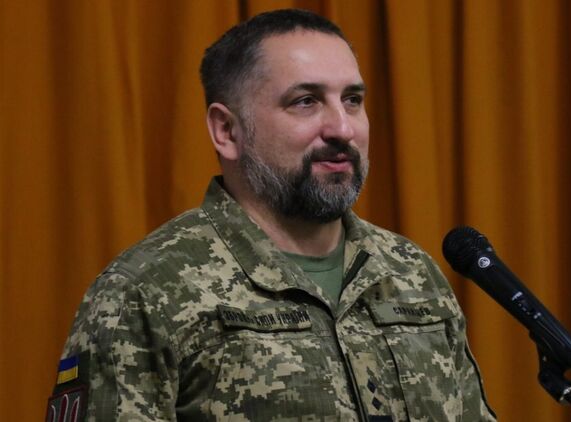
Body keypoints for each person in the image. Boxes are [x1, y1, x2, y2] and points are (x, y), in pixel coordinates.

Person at [47, 8, 496, 422]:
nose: (342, 128)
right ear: (227, 130)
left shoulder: (411, 273)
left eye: (352, 100)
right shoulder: (144, 291)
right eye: (306, 101)